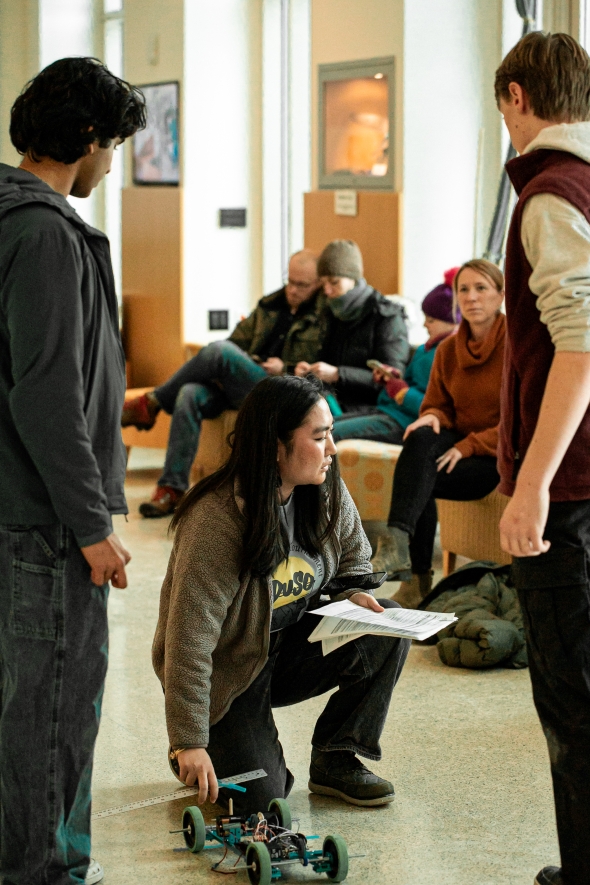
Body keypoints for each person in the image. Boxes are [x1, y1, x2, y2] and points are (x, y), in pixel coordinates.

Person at [0, 59, 145, 885]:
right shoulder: (46, 231)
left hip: (13, 505)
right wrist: (91, 526)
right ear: (87, 139)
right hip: (42, 519)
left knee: (19, 705)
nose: (114, 163)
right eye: (113, 145)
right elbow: (49, 396)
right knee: (52, 708)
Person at [152, 374, 410, 813]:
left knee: (387, 623)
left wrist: (350, 593)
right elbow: (188, 640)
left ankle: (336, 758)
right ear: (275, 444)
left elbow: (354, 556)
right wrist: (189, 739)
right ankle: (206, 744)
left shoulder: (321, 484)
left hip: (289, 643)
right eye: (320, 437)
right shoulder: (217, 519)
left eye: (331, 434)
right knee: (263, 799)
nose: (332, 449)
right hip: (230, 668)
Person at [494, 32, 590, 885]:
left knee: (573, 703)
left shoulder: (550, 196)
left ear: (516, 98)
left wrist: (533, 486)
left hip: (575, 492)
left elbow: (581, 348)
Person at [123, 250, 326, 517]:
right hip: (246, 383)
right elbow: (236, 342)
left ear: (319, 284)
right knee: (189, 393)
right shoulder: (270, 305)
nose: (293, 290)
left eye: (302, 285)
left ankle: (152, 403)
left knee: (218, 351)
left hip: (278, 390)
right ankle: (172, 488)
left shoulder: (324, 317)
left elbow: (317, 371)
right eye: (290, 281)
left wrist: (284, 368)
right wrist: (248, 361)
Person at [370, 259, 505, 607]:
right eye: (464, 290)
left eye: (481, 289)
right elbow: (437, 405)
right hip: (453, 447)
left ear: (500, 295)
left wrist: (469, 445)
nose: (471, 297)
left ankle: (416, 577)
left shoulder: (516, 348)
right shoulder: (447, 349)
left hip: (495, 456)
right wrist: (430, 416)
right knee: (419, 437)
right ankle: (400, 548)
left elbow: (523, 421)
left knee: (419, 477)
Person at [331, 269, 459, 444]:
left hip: (405, 423)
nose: (424, 324)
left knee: (329, 434)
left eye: (431, 320)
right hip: (389, 411)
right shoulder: (424, 349)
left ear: (453, 322)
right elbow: (405, 384)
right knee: (322, 426)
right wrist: (390, 380)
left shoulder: (451, 356)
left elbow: (437, 409)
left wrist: (402, 393)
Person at [294, 239, 410, 414]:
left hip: (369, 407)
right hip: (330, 399)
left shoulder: (387, 317)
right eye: (323, 283)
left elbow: (393, 379)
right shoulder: (330, 310)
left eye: (334, 282)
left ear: (353, 279)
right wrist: (309, 371)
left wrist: (337, 374)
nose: (327, 291)